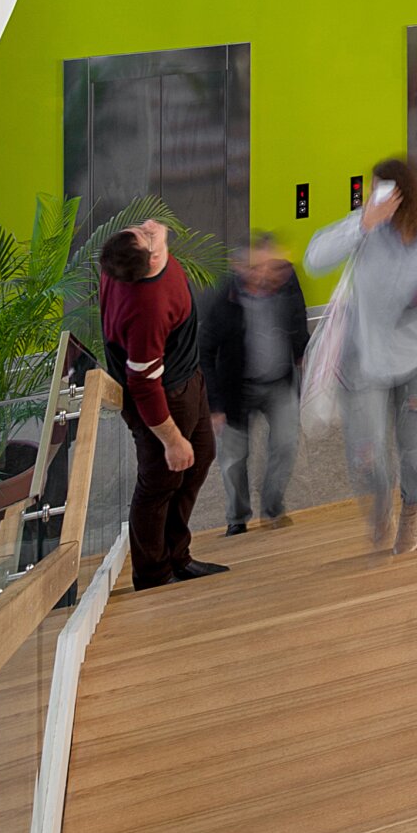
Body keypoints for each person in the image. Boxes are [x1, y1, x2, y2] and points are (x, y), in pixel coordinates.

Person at [305, 156, 417, 556]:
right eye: (373, 189)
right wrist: (363, 223)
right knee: (364, 451)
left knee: (414, 445)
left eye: (383, 189)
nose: (374, 196)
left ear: (409, 195)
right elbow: (314, 258)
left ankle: (413, 508)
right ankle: (380, 502)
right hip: (365, 356)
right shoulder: (366, 227)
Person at [100, 219, 225, 591]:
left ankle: (177, 556)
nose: (148, 226)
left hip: (186, 377)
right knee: (159, 482)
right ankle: (153, 575)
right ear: (152, 259)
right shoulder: (147, 309)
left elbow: (148, 243)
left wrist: (154, 239)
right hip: (165, 397)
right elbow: (143, 384)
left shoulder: (123, 262)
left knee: (199, 458)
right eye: (145, 234)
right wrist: (171, 439)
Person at [201, 231, 311, 536]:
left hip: (278, 383)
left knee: (286, 444)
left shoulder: (286, 281)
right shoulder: (224, 299)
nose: (267, 274)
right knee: (233, 459)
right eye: (258, 268)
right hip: (236, 390)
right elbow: (205, 351)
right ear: (241, 268)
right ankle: (237, 519)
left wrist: (301, 353)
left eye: (271, 266)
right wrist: (214, 406)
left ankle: (273, 508)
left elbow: (298, 315)